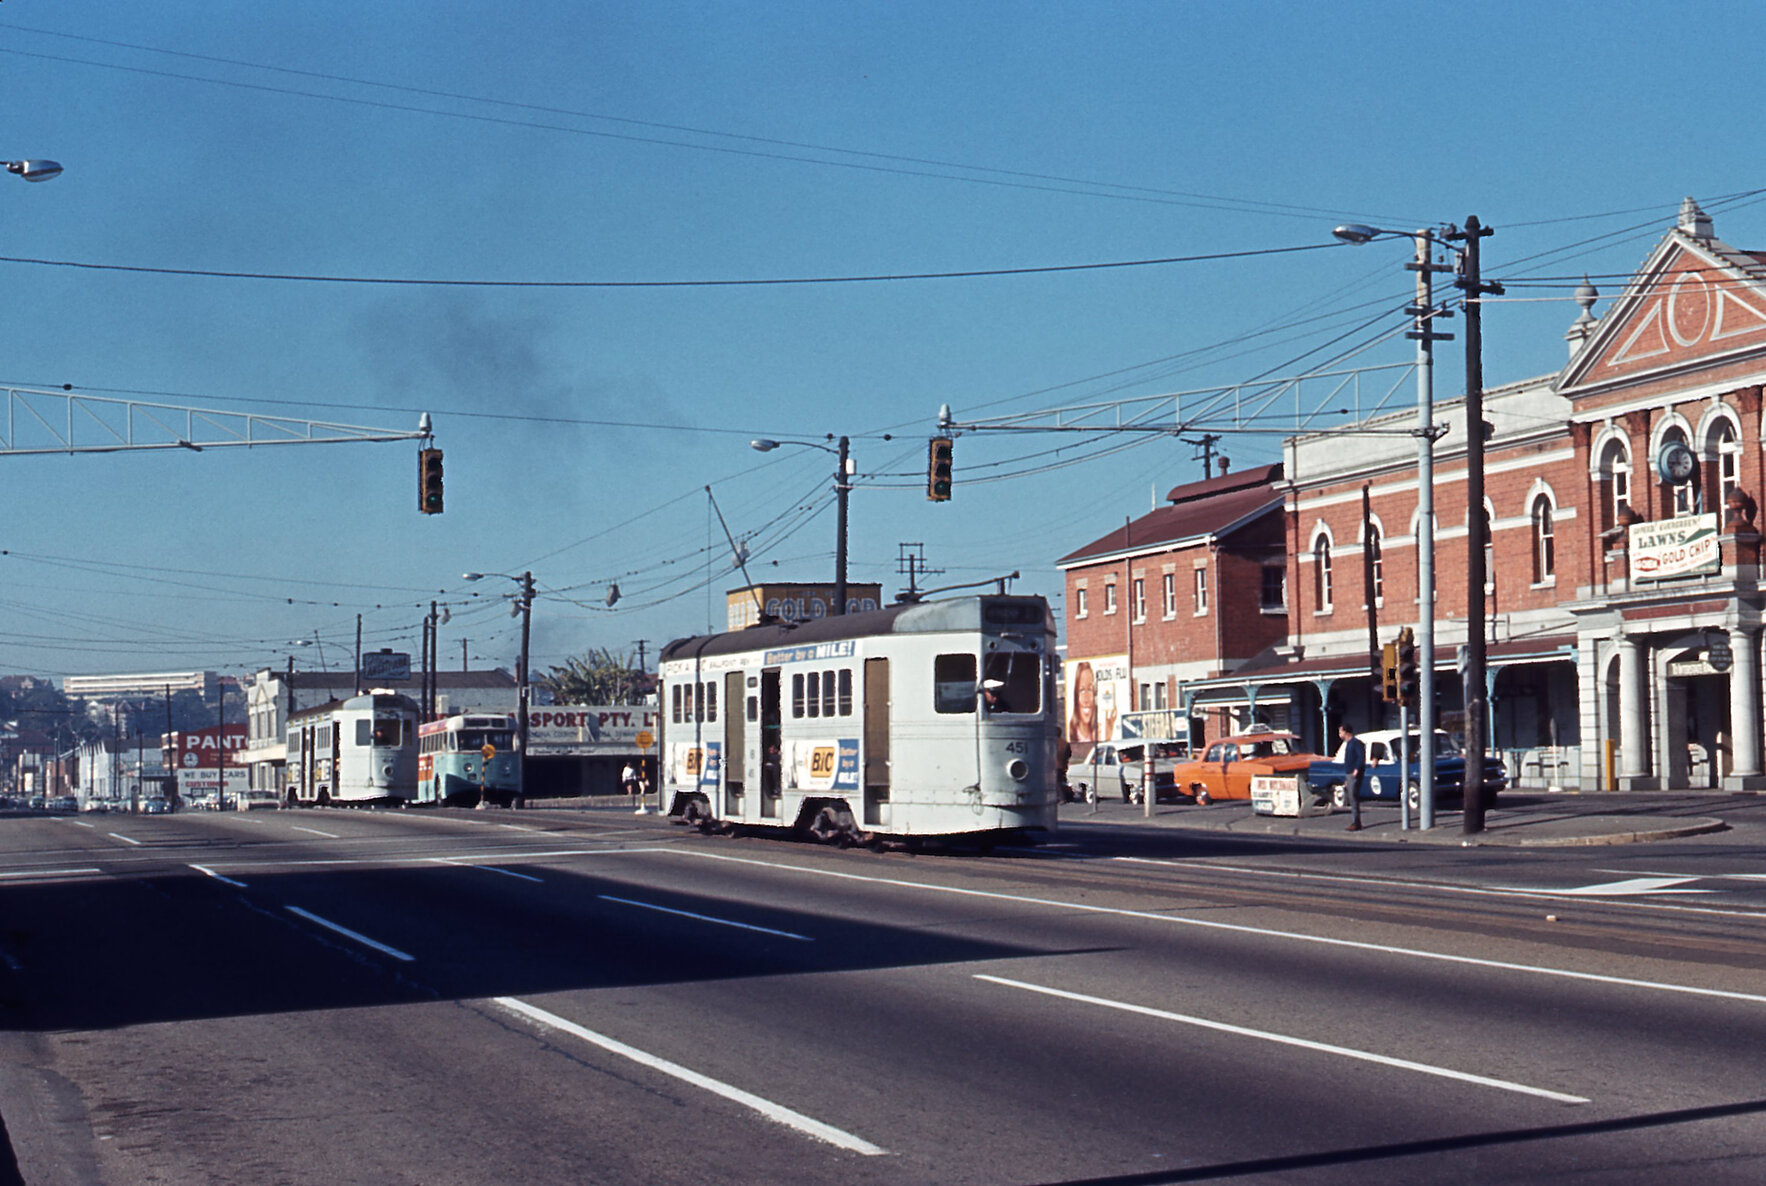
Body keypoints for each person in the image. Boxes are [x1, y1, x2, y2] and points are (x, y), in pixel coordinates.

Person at [1339, 723, 1366, 831]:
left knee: (1353, 797)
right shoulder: (1348, 744)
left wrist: (1357, 769)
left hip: (1354, 773)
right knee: (1351, 797)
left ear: (1346, 732)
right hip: (1349, 773)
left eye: (1340, 732)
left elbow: (1361, 757)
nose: (1339, 734)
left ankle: (1356, 822)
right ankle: (1355, 821)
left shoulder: (1355, 743)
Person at [1067, 661, 1097, 743]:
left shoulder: (1099, 731)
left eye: (1090, 690)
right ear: (1076, 696)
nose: (1086, 699)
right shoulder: (1072, 731)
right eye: (1082, 690)